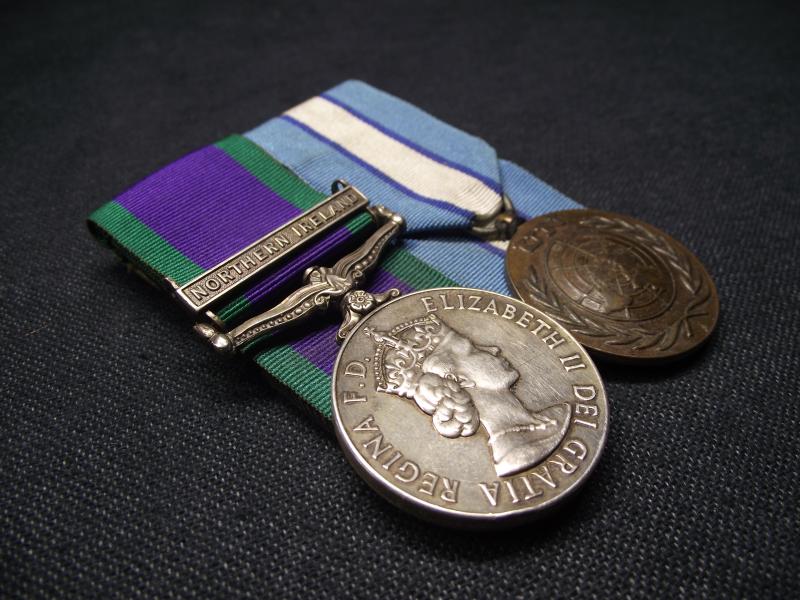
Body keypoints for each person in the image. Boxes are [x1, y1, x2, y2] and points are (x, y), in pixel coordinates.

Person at [366, 313, 571, 477]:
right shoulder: (513, 453)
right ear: (460, 380)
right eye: (473, 349)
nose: (493, 348)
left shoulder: (555, 414)